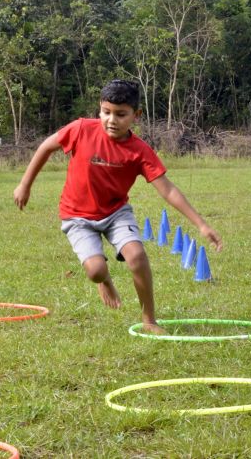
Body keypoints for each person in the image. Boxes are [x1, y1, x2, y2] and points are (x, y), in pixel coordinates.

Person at [13, 79, 222, 333]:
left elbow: (167, 189)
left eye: (121, 114)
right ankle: (104, 279)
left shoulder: (140, 151)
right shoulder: (81, 129)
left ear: (136, 115)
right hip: (77, 216)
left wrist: (201, 224)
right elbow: (46, 147)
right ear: (99, 110)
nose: (112, 120)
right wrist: (25, 184)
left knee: (137, 256)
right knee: (95, 271)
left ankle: (149, 320)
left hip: (115, 213)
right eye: (106, 112)